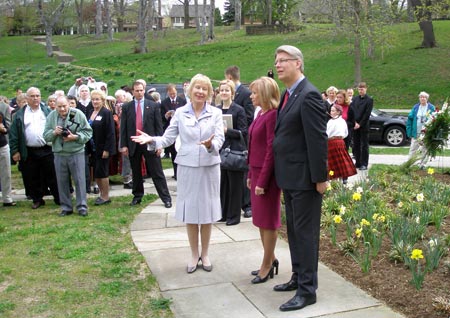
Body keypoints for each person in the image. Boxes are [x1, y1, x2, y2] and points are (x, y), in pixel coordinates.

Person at [131, 74, 225, 274]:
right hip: (187, 167)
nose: (200, 91)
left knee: (207, 212)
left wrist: (210, 145)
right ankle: (193, 254)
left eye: (204, 88)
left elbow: (220, 139)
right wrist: (151, 140)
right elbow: (167, 138)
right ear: (190, 90)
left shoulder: (216, 113)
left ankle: (205, 254)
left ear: (209, 92)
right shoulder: (180, 113)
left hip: (209, 167)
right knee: (191, 212)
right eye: (197, 88)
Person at [272, 45, 328, 312]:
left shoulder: (309, 96)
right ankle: (298, 277)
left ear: (299, 64)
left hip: (306, 180)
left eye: (284, 60)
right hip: (290, 177)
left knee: (305, 235)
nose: (278, 64)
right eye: (277, 60)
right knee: (294, 232)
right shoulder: (288, 94)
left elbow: (318, 140)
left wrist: (320, 178)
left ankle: (308, 291)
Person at [247, 76, 281, 284]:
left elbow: (271, 150)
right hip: (256, 171)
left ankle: (267, 265)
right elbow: (253, 146)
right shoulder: (260, 113)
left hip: (267, 176)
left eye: (255, 93)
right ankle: (272, 258)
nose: (251, 96)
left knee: (269, 222)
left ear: (266, 94)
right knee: (260, 221)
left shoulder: (273, 115)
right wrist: (251, 175)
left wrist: (263, 180)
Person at [120, 81, 172, 208]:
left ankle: (166, 198)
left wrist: (159, 144)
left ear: (144, 90)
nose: (139, 93)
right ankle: (137, 196)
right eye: (136, 90)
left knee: (157, 171)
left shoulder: (153, 106)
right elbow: (124, 128)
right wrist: (124, 145)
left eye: (141, 90)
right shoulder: (127, 107)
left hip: (150, 142)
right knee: (136, 172)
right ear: (132, 91)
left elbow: (158, 126)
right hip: (134, 143)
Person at [9, 87, 60, 209]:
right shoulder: (19, 115)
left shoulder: (47, 111)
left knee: (53, 175)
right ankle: (37, 199)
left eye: (38, 95)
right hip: (29, 150)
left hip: (47, 149)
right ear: (27, 98)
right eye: (32, 96)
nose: (35, 98)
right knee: (32, 176)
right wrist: (15, 151)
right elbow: (14, 134)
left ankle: (59, 198)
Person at [43, 96, 93, 216]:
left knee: (80, 180)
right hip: (59, 154)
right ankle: (66, 207)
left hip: (76, 152)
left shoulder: (78, 114)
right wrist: (54, 132)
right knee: (61, 181)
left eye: (64, 106)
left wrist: (74, 137)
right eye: (59, 106)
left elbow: (88, 132)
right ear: (55, 106)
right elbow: (45, 136)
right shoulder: (51, 117)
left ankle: (82, 206)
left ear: (69, 105)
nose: (62, 109)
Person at [217, 79, 248, 226]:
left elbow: (243, 132)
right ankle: (223, 213)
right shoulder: (216, 110)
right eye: (222, 90)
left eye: (226, 90)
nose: (224, 92)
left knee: (235, 185)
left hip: (234, 151)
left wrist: (227, 130)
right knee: (223, 184)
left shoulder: (238, 110)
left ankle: (234, 216)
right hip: (220, 150)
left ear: (232, 93)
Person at [225, 65, 253, 218]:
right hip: (226, 142)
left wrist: (232, 128)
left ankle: (247, 205)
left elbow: (249, 118)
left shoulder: (246, 93)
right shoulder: (223, 94)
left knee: (243, 174)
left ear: (229, 77)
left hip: (240, 140)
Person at [88, 90, 116, 205]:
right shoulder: (90, 112)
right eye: (93, 99)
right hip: (92, 148)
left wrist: (107, 149)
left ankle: (105, 196)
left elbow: (110, 132)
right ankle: (101, 194)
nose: (95, 101)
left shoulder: (106, 113)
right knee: (96, 173)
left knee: (103, 172)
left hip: (102, 148)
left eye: (97, 99)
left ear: (102, 100)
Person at [160, 84, 187, 179]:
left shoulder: (182, 101)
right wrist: (166, 116)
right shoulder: (164, 103)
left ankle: (181, 172)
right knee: (173, 152)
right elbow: (161, 118)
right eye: (171, 94)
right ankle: (176, 173)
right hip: (170, 128)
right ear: (168, 93)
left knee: (180, 151)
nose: (172, 95)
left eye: (174, 93)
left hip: (181, 129)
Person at [327, 105, 357, 182]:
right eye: (331, 110)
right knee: (339, 164)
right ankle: (339, 181)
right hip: (341, 142)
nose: (331, 112)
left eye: (333, 111)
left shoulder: (331, 121)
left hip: (332, 143)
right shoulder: (343, 121)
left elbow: (327, 134)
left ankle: (334, 181)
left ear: (338, 112)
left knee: (333, 165)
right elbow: (346, 133)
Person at [406, 91, 435, 168]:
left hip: (427, 133)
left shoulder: (431, 107)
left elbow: (435, 119)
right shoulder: (415, 107)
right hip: (416, 132)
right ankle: (409, 164)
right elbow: (410, 119)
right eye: (421, 97)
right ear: (419, 98)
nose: (423, 98)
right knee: (413, 149)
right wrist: (409, 131)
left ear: (427, 99)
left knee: (425, 149)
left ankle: (423, 164)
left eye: (424, 97)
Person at [352, 82, 373, 171]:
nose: (361, 90)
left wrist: (360, 124)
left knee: (364, 145)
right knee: (356, 144)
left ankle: (364, 163)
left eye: (362, 89)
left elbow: (367, 114)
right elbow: (352, 111)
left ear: (366, 89)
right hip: (355, 125)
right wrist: (354, 122)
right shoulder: (355, 99)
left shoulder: (369, 100)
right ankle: (358, 162)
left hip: (363, 126)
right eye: (359, 89)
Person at [0, 109, 16, 207]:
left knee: (6, 173)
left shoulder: (0, 114)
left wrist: (3, 129)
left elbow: (7, 130)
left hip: (2, 146)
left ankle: (7, 198)